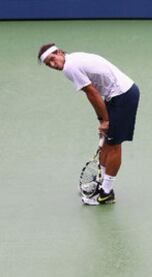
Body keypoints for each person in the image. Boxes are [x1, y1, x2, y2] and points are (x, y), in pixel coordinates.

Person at [38, 43, 140, 205]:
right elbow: (95, 92)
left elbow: (92, 93)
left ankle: (107, 193)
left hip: (123, 95)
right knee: (108, 140)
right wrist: (103, 120)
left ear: (58, 52)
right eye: (48, 64)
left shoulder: (69, 67)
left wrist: (105, 120)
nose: (52, 65)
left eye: (52, 59)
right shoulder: (74, 58)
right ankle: (101, 183)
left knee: (114, 144)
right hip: (115, 95)